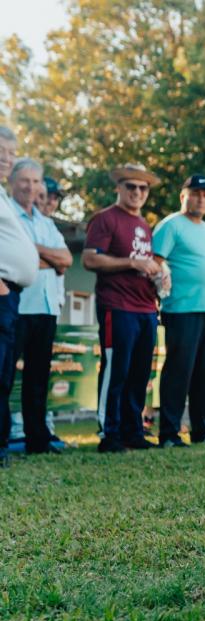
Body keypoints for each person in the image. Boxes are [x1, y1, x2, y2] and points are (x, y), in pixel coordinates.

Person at [83, 163, 164, 453]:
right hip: (116, 306)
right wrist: (132, 262)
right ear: (119, 188)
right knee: (116, 371)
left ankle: (134, 431)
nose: (137, 192)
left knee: (140, 374)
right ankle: (110, 433)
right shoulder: (105, 219)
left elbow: (144, 262)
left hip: (146, 308)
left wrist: (157, 274)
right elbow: (90, 259)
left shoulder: (144, 225)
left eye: (143, 188)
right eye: (131, 186)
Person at [152, 174, 205, 447]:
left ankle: (201, 431)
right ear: (183, 196)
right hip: (182, 308)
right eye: (196, 193)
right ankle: (169, 433)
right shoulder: (171, 225)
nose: (201, 199)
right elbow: (156, 261)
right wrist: (162, 279)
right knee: (178, 371)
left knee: (204, 373)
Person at [9, 159, 71, 455]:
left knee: (38, 378)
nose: (31, 187)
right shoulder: (7, 215)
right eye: (25, 181)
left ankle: (37, 438)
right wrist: (50, 260)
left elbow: (67, 260)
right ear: (12, 182)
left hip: (46, 308)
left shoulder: (46, 223)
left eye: (36, 182)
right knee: (5, 375)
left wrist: (33, 252)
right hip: (16, 306)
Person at [0, 127, 41, 468]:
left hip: (11, 296)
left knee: (4, 376)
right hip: (1, 292)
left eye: (11, 153)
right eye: (1, 150)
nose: (6, 158)